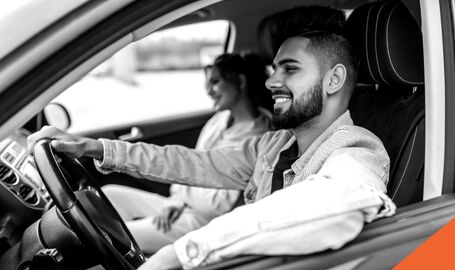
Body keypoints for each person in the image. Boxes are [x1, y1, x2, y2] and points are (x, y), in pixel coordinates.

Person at [27, 5, 396, 270]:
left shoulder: (355, 149)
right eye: (273, 68)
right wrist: (95, 148)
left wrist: (181, 253)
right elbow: (190, 162)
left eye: (290, 69)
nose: (270, 82)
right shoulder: (273, 145)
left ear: (333, 80)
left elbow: (337, 200)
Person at [97, 52, 274, 253]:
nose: (209, 91)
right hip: (182, 205)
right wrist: (176, 202)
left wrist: (182, 195)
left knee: (118, 235)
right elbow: (191, 164)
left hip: (203, 222)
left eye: (215, 82)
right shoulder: (218, 120)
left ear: (240, 81)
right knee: (109, 194)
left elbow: (217, 205)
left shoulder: (258, 136)